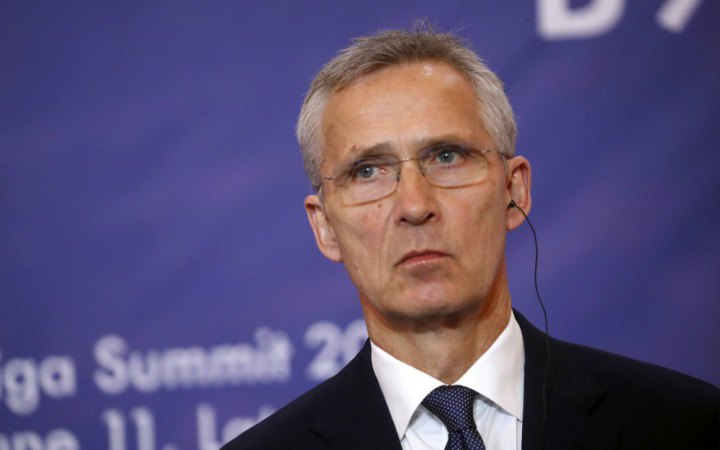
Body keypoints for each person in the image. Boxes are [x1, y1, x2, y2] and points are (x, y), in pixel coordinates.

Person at [221, 27, 719, 450]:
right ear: (325, 227)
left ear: (514, 190)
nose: (415, 205)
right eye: (368, 170)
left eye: (447, 156)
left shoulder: (687, 425)